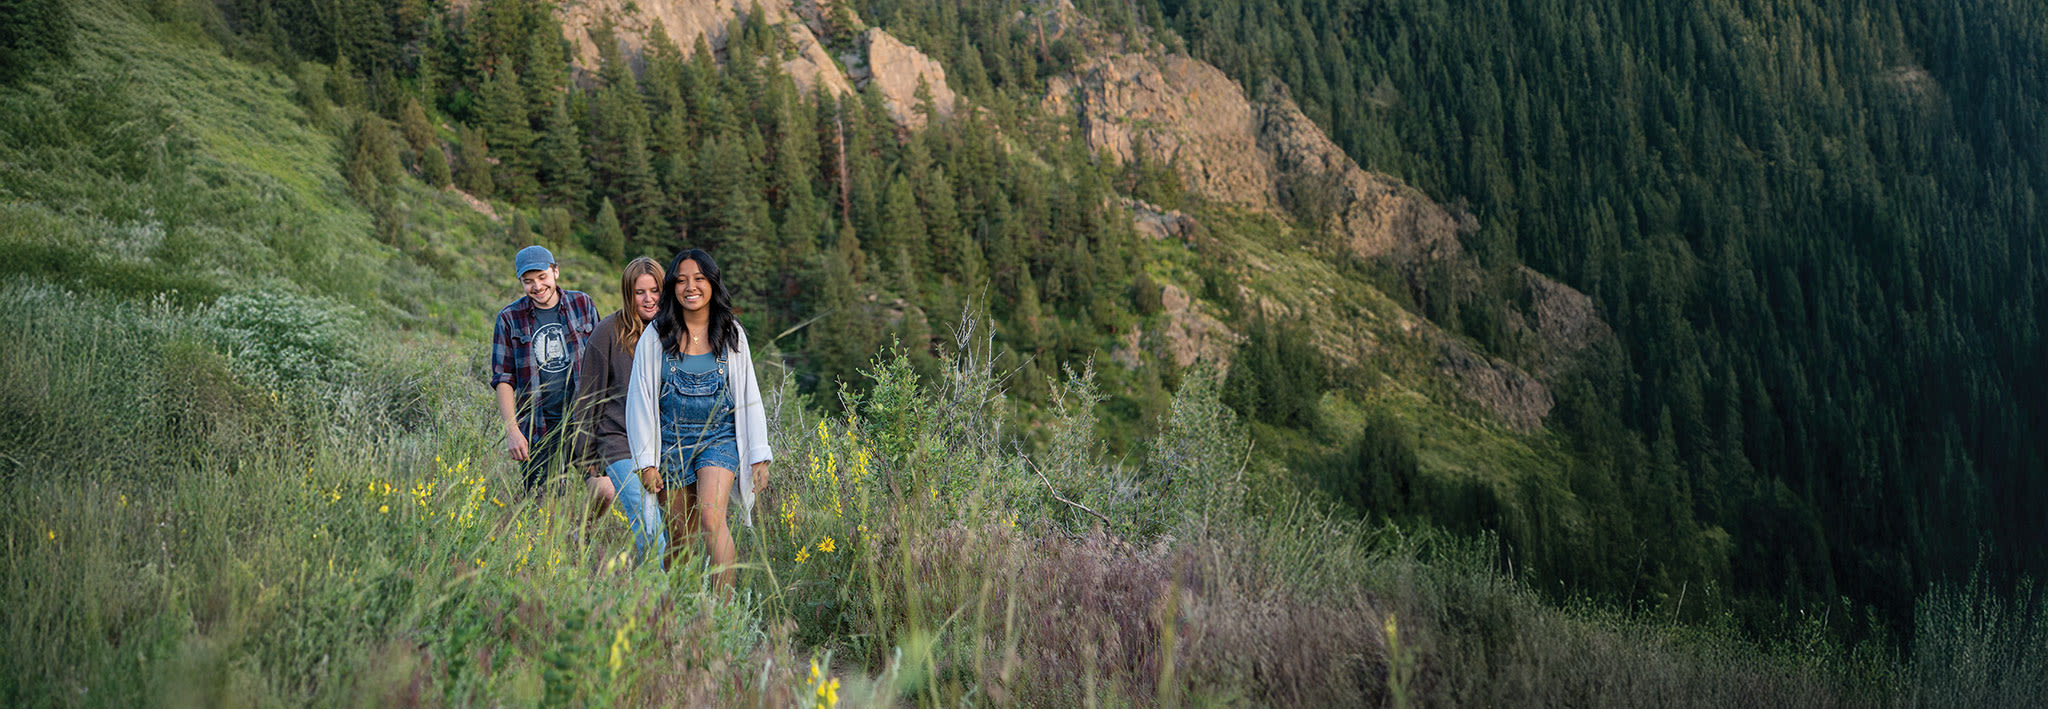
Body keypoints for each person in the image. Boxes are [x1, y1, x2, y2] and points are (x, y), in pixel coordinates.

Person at [625, 249, 773, 584]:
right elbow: (640, 400)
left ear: (711, 283)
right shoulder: (655, 336)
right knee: (680, 539)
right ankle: (684, 616)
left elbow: (749, 395)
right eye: (681, 280)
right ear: (673, 288)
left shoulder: (731, 332)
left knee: (710, 518)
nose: (690, 287)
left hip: (718, 440)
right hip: (670, 445)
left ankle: (725, 617)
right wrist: (646, 463)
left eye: (699, 279)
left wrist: (759, 455)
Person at [570, 257, 671, 564]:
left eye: (655, 290)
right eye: (640, 292)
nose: (649, 298)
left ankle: (644, 600)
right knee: (653, 532)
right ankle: (651, 608)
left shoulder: (673, 334)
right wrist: (587, 462)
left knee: (676, 535)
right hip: (619, 444)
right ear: (628, 294)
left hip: (663, 448)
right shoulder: (607, 332)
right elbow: (589, 397)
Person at [490, 245, 603, 497]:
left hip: (584, 422)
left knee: (604, 492)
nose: (537, 286)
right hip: (539, 428)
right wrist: (512, 431)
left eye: (542, 277)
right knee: (546, 508)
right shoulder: (509, 318)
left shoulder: (582, 304)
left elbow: (602, 362)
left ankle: (581, 535)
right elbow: (503, 379)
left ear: (555, 272)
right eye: (528, 281)